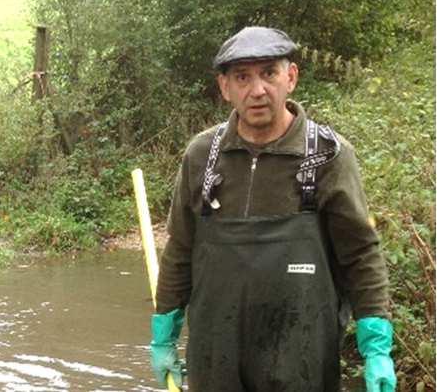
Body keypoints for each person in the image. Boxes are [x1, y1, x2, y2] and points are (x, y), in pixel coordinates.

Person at [150, 26, 396, 392]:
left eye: (269, 73)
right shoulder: (202, 155)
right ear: (225, 87)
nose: (257, 90)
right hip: (216, 358)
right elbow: (180, 251)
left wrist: (376, 345)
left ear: (291, 76)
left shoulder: (329, 154)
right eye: (242, 77)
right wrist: (163, 334)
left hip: (303, 362)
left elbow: (361, 253)